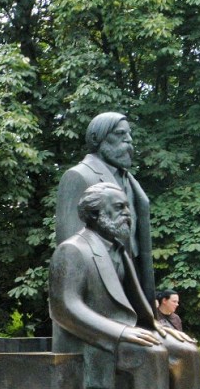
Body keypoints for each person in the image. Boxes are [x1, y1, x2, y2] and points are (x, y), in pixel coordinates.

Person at [49, 182, 200, 389]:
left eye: (128, 207)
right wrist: (120, 332)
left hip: (123, 332)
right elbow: (65, 308)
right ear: (94, 213)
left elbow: (134, 302)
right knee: (151, 354)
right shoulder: (72, 250)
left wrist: (157, 325)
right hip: (89, 338)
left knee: (187, 352)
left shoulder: (119, 250)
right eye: (119, 207)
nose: (127, 214)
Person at [55, 112, 156, 306]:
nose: (129, 140)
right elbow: (69, 243)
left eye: (129, 134)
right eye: (120, 134)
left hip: (133, 274)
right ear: (96, 138)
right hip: (101, 279)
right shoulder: (79, 175)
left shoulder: (129, 180)